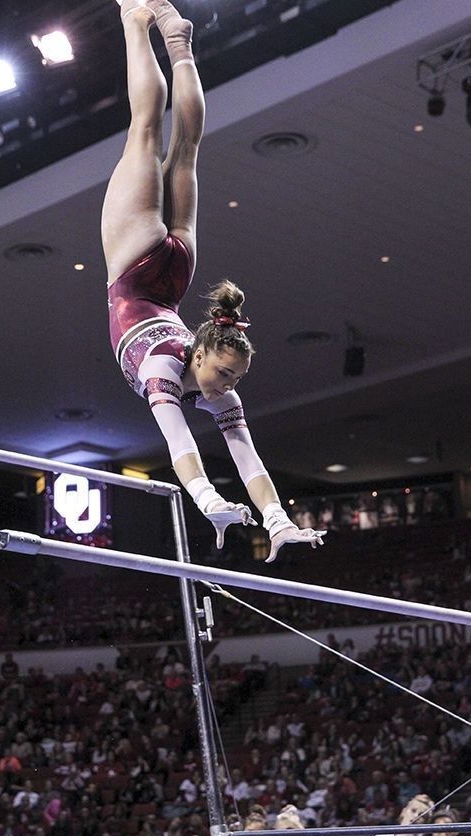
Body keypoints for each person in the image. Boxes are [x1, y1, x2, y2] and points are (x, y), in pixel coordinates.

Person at [102, 0, 325, 562]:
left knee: (181, 148)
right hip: (141, 271)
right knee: (150, 133)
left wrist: (274, 521)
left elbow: (243, 457)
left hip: (169, 274)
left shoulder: (192, 375)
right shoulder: (166, 371)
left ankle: (177, 40)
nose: (227, 386)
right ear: (201, 352)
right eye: (226, 373)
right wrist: (214, 501)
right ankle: (143, 26)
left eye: (233, 377)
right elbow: (183, 445)